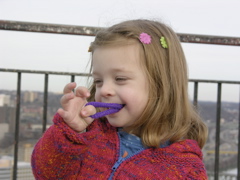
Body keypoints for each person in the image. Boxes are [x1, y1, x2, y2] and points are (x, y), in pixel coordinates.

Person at [31, 19, 208, 179]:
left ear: (161, 84)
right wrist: (69, 133)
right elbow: (45, 173)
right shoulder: (89, 136)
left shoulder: (185, 169)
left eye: (120, 79)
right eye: (99, 80)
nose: (105, 90)